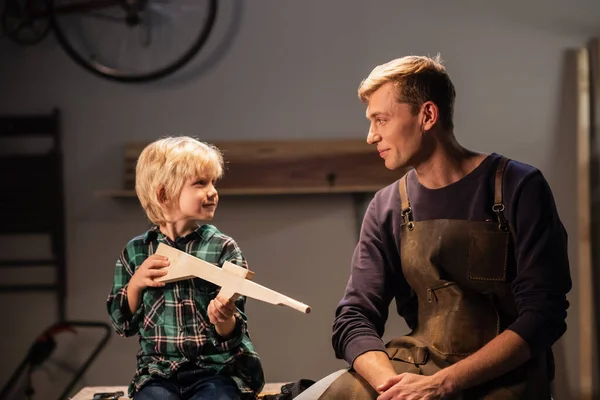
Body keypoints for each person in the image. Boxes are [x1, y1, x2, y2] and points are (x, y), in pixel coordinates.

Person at [322, 55, 572, 399]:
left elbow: (544, 314)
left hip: (505, 376)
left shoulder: (519, 186)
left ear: (427, 115)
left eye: (381, 120)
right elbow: (354, 317)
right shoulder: (387, 206)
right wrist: (392, 388)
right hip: (417, 369)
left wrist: (445, 384)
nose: (370, 137)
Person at [107, 136, 264, 400]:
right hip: (158, 373)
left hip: (216, 370)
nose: (212, 191)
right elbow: (122, 324)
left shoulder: (222, 248)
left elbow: (233, 333)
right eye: (200, 183)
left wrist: (223, 316)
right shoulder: (136, 251)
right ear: (163, 193)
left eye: (213, 182)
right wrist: (135, 284)